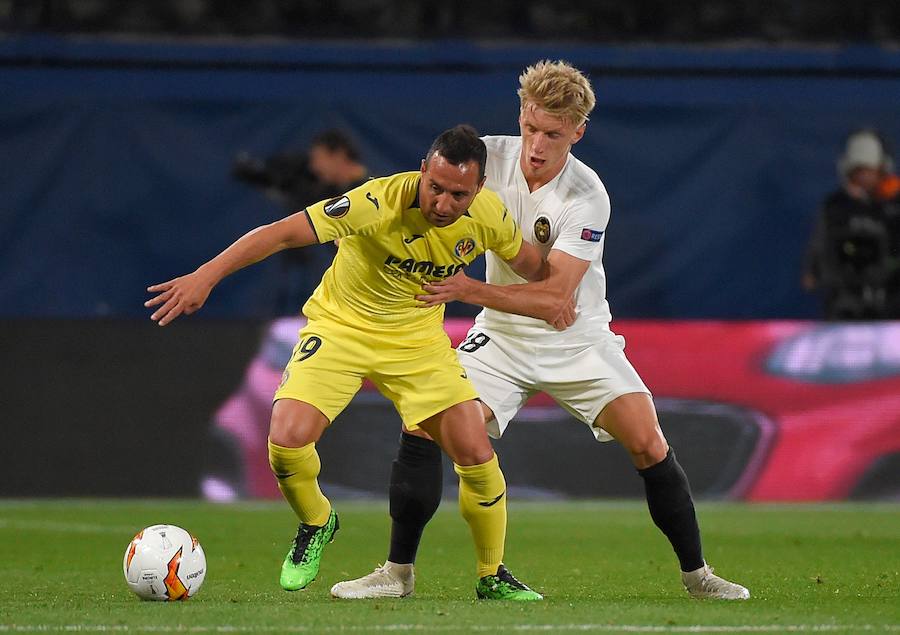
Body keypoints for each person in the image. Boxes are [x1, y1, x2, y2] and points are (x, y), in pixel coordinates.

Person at [331, 60, 750, 601]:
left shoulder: (586, 195)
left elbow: (557, 298)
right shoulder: (485, 159)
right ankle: (396, 574)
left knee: (648, 443)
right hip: (500, 337)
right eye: (531, 127)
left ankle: (699, 577)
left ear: (578, 132)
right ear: (521, 116)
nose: (536, 144)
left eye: (553, 134)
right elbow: (422, 204)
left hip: (579, 338)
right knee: (424, 427)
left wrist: (471, 291)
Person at [145, 125, 546, 600]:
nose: (442, 203)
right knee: (286, 440)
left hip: (416, 342)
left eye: (458, 194)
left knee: (476, 453)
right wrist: (206, 276)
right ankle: (317, 520)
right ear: (422, 171)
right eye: (434, 187)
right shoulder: (374, 202)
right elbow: (280, 234)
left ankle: (491, 574)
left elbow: (531, 264)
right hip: (342, 328)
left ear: (478, 190)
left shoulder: (488, 216)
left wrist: (558, 252)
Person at [802, 128, 898, 319]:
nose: (864, 177)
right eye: (858, 172)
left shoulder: (895, 203)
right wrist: (812, 270)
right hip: (846, 292)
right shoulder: (836, 206)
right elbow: (819, 242)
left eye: (869, 171)